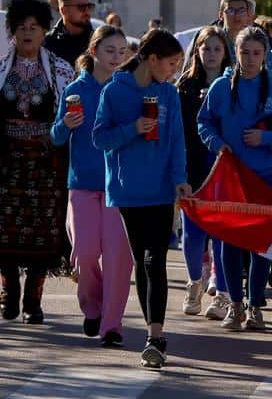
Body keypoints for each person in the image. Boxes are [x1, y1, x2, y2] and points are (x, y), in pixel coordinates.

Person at [0, 0, 76, 325]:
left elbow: (73, 117)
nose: (28, 33)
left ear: (44, 32)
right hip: (6, 160)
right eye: (21, 27)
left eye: (35, 27)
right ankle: (9, 290)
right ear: (12, 32)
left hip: (48, 162)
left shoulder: (61, 70)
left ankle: (34, 299)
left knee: (46, 230)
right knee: (3, 231)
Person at [93, 28, 191, 369]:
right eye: (170, 63)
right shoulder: (114, 91)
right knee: (142, 262)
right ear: (151, 59)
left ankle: (155, 336)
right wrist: (132, 129)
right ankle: (154, 332)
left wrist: (180, 180)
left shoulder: (169, 93)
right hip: (129, 190)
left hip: (162, 189)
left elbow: (178, 139)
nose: (173, 70)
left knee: (155, 260)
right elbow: (100, 139)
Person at [197, 25, 272, 332]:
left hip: (265, 177)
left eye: (257, 53)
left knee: (261, 243)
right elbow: (204, 122)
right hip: (231, 177)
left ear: (265, 55)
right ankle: (235, 305)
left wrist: (265, 137)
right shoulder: (220, 87)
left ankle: (256, 306)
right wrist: (218, 144)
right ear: (236, 52)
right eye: (245, 52)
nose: (251, 59)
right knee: (229, 242)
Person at [49, 25, 133, 348]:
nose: (116, 57)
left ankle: (112, 324)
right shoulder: (75, 90)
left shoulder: (126, 89)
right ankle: (93, 306)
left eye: (121, 52)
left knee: (117, 257)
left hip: (119, 187)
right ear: (94, 51)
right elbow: (56, 137)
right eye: (110, 50)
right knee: (84, 252)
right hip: (82, 185)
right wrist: (64, 125)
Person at [175, 27, 231, 319]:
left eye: (216, 49)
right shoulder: (183, 87)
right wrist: (177, 172)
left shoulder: (234, 85)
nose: (210, 54)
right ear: (196, 51)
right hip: (192, 167)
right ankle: (194, 284)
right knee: (193, 233)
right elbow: (177, 132)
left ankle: (222, 293)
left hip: (223, 167)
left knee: (222, 232)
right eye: (205, 48)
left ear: (225, 52)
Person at [44, 0, 96, 66]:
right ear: (64, 10)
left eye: (89, 6)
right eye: (81, 7)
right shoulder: (47, 44)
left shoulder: (98, 41)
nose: (87, 12)